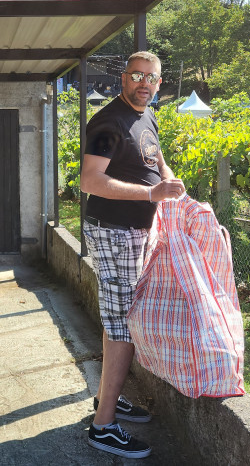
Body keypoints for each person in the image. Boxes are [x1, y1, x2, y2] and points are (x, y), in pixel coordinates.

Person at [79, 51, 185, 459]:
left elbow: (155, 159)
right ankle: (103, 426)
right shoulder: (108, 122)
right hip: (116, 231)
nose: (144, 83)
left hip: (137, 230)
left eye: (151, 78)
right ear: (123, 79)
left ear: (159, 83)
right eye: (137, 76)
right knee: (123, 324)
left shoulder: (146, 117)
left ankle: (111, 394)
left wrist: (173, 187)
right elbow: (91, 180)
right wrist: (151, 194)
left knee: (120, 319)